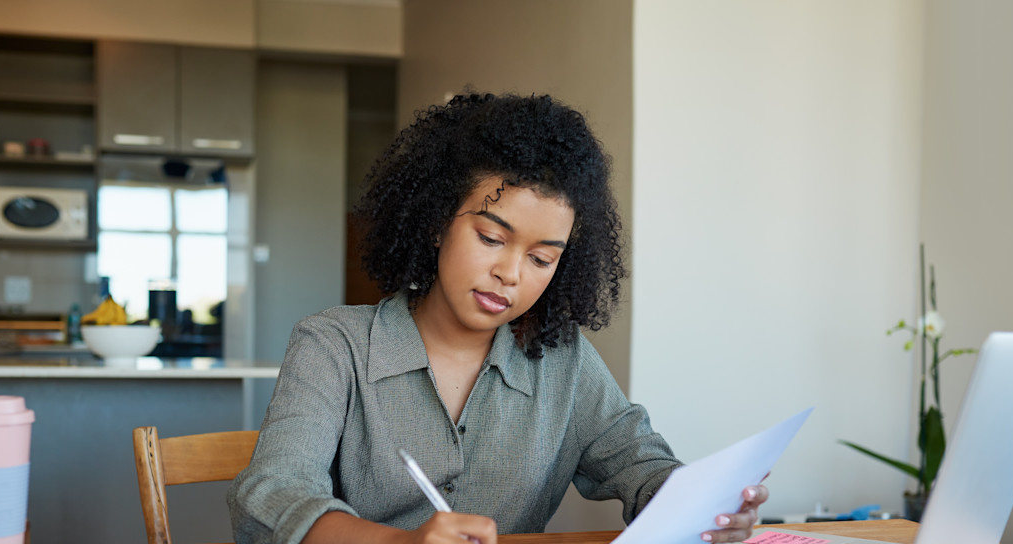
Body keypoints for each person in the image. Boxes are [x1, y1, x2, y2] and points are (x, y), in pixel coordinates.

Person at [227, 93, 768, 544]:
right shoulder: (334, 345)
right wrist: (402, 541)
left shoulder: (563, 362)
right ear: (438, 221)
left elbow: (639, 463)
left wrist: (706, 506)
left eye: (541, 259)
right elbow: (272, 495)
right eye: (491, 238)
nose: (510, 273)